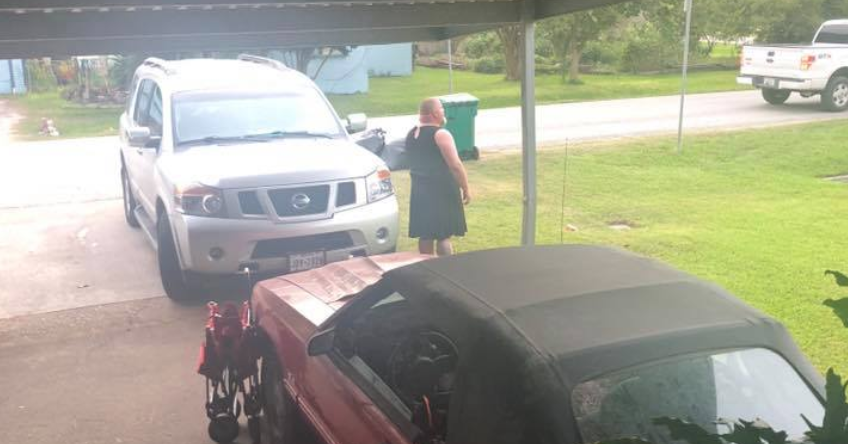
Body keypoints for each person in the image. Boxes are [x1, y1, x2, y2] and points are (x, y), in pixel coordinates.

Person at [406, 97, 471, 256]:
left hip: (420, 191)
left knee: (426, 234)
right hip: (441, 190)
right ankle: (447, 269)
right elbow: (455, 165)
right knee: (443, 235)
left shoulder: (411, 134)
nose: (444, 112)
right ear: (435, 113)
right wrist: (466, 188)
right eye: (442, 109)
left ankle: (427, 268)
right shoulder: (441, 134)